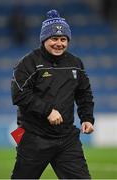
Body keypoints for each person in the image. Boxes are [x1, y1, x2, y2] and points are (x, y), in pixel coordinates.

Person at [11, 9, 94, 179]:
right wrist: (48, 110)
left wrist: (86, 117)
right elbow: (19, 94)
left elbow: (84, 93)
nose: (59, 43)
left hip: (66, 139)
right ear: (44, 40)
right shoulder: (28, 63)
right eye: (54, 38)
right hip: (34, 138)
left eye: (63, 39)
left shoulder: (75, 63)